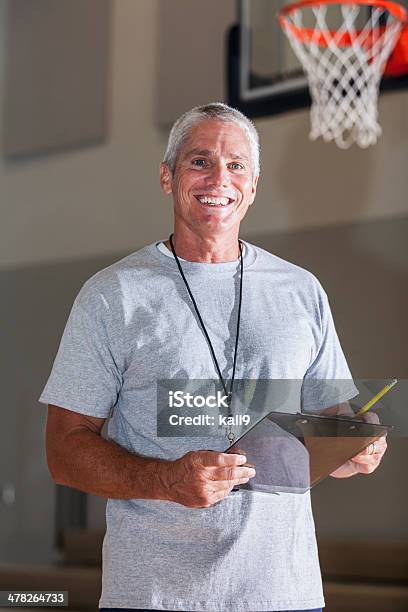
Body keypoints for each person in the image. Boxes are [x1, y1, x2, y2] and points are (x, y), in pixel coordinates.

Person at [39, 102, 387, 612]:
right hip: (153, 595)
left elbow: (329, 424)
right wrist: (164, 480)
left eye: (236, 164)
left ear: (254, 183)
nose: (219, 177)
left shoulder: (301, 291)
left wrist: (355, 446)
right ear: (167, 176)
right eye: (200, 161)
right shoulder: (113, 295)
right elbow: (63, 451)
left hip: (284, 593)